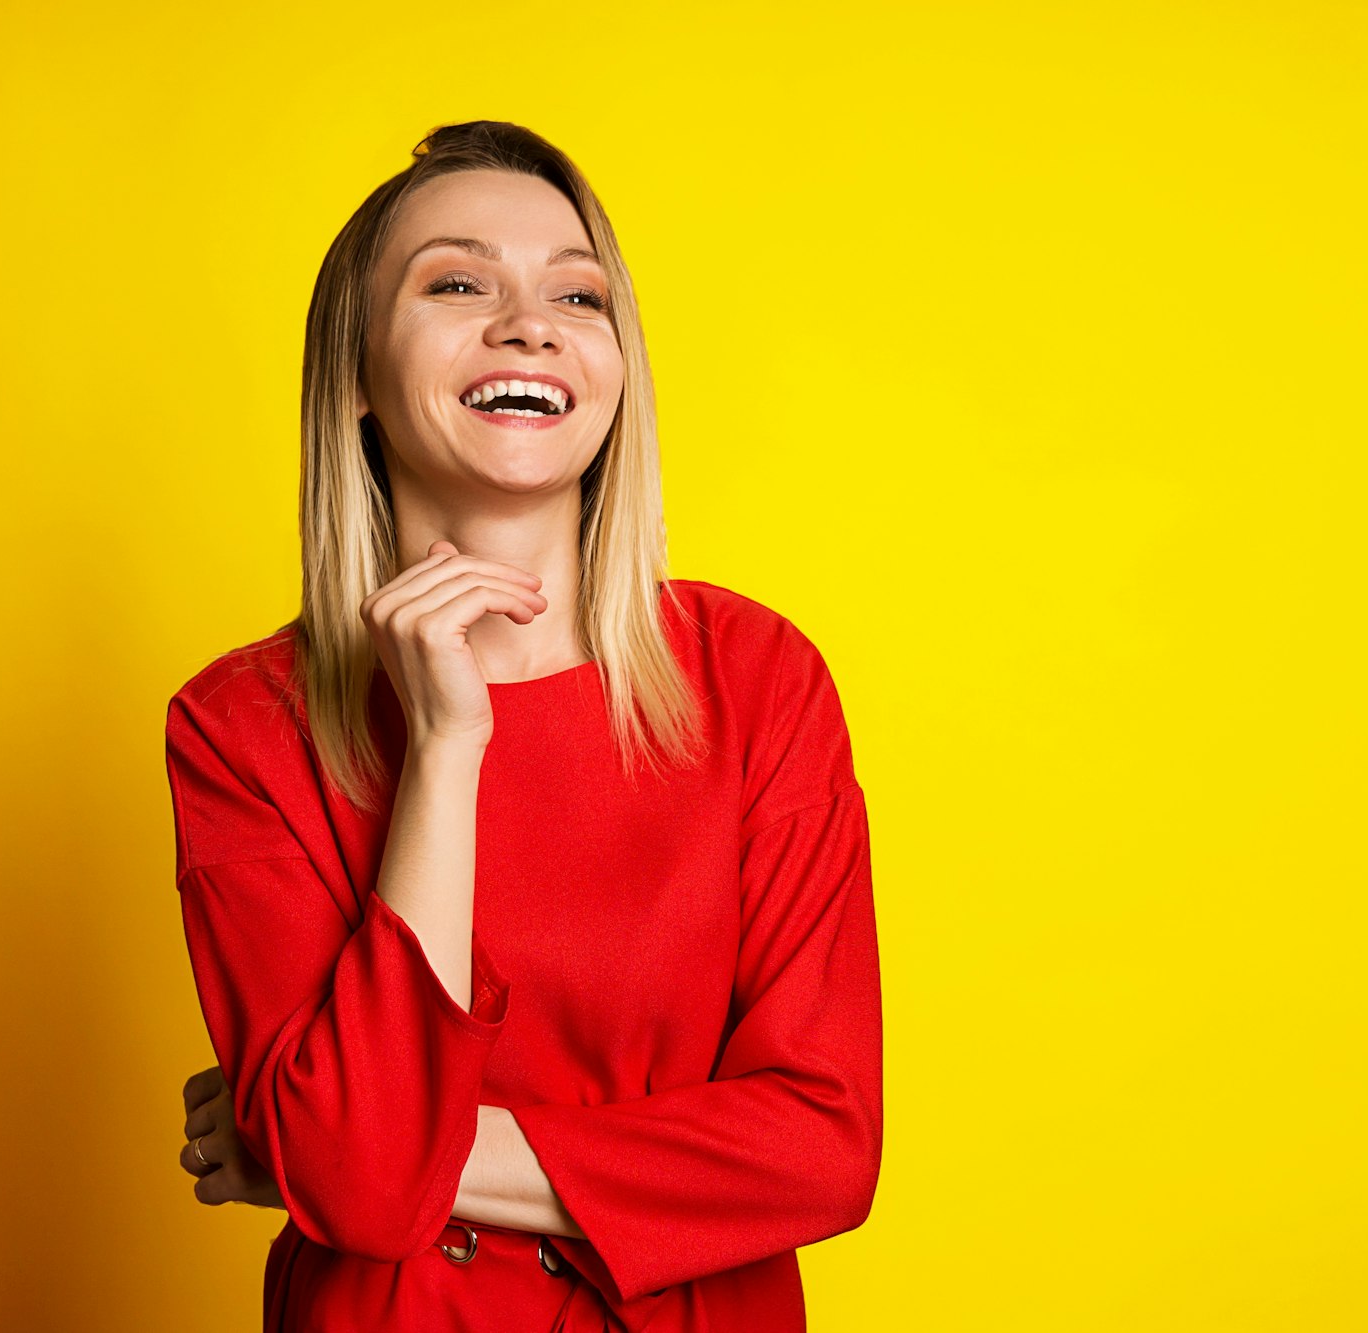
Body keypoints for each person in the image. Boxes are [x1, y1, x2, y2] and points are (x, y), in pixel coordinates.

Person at [162, 119, 882, 1332]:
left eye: (577, 292)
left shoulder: (756, 679)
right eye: (456, 282)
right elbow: (353, 1173)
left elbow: (821, 1141)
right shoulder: (240, 726)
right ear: (351, 374)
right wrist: (446, 748)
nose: (528, 320)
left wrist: (345, 1151)